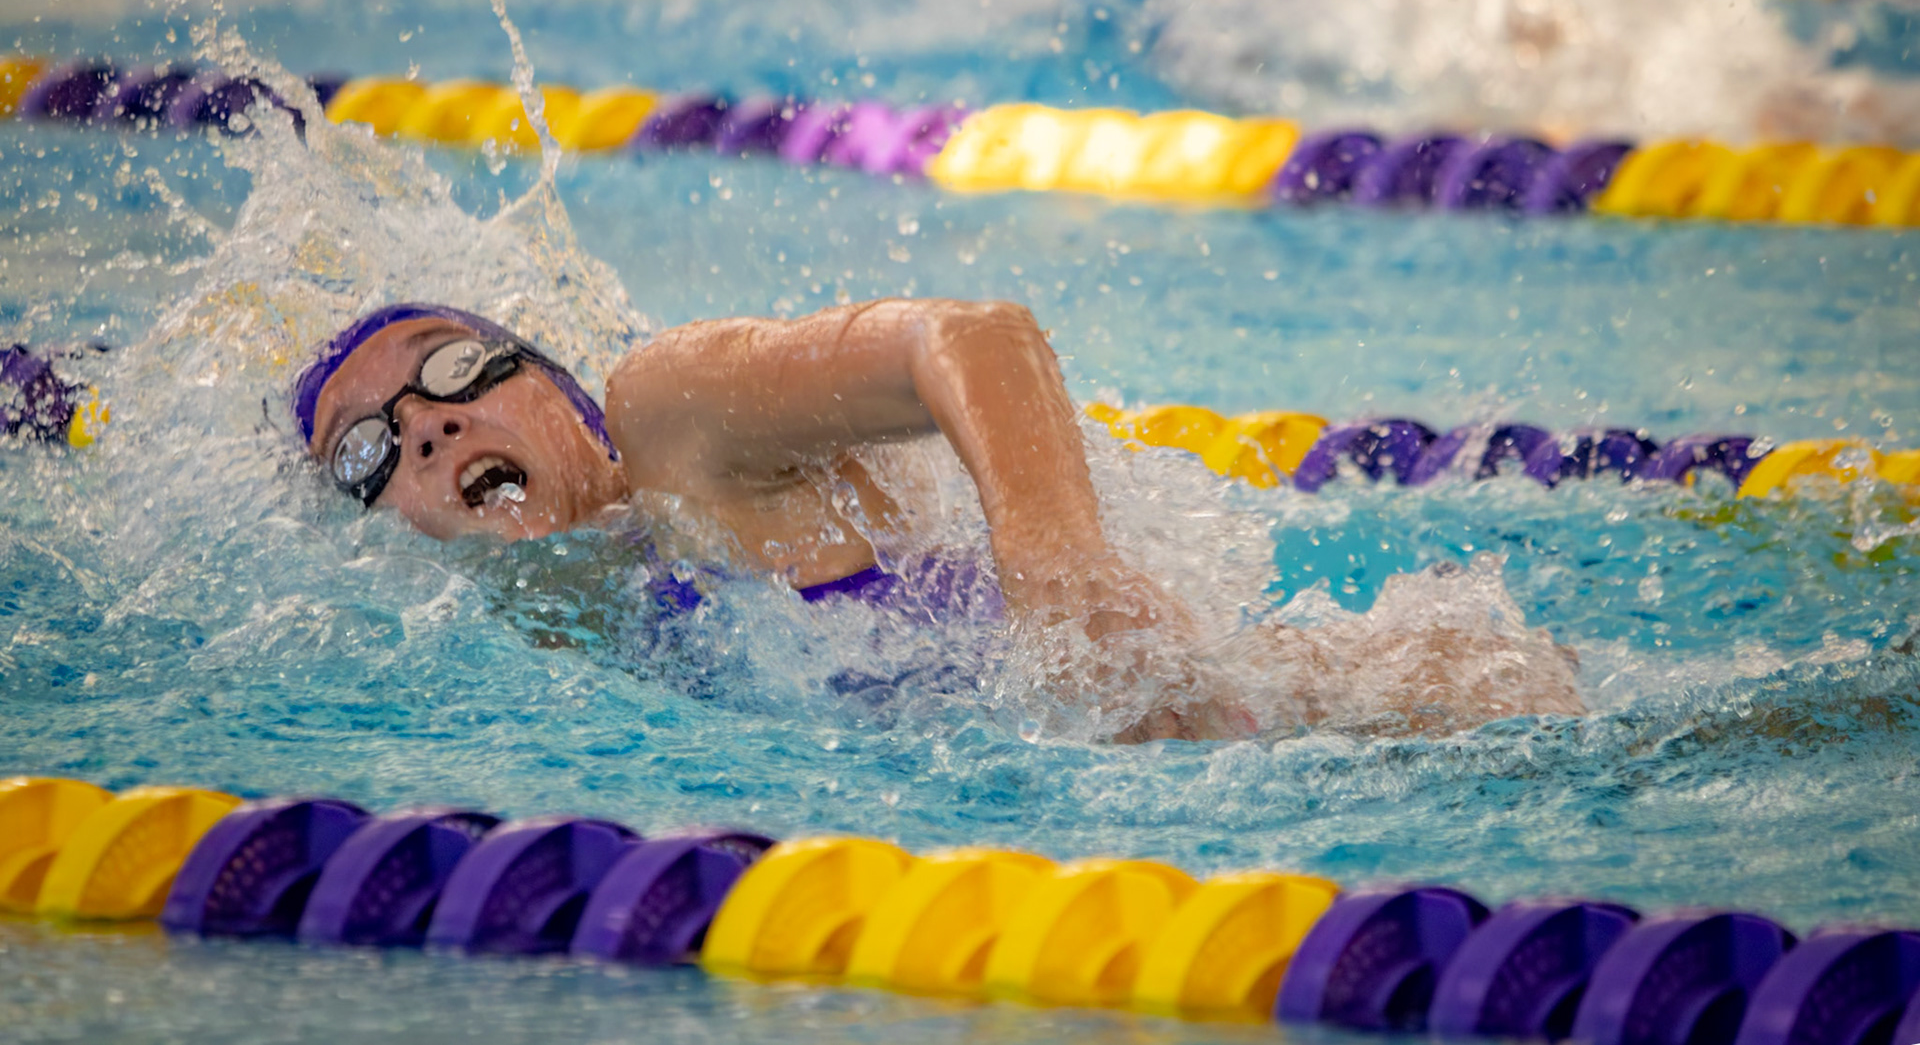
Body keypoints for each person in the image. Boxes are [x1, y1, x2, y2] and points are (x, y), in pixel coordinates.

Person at [291, 299, 1586, 741]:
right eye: (370, 447)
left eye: (456, 367)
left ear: (564, 400)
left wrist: (1057, 559)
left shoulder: (672, 420)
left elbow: (968, 335)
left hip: (1304, 713)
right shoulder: (544, 657)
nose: (428, 422)